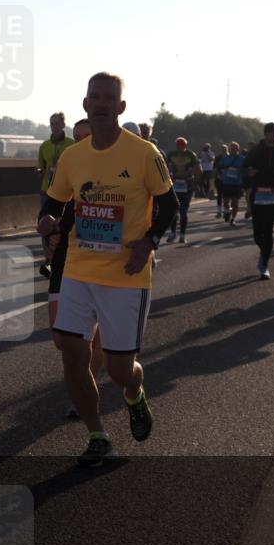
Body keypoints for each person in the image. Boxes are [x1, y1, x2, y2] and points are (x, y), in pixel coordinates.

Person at [38, 72, 178, 467]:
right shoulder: (72, 156)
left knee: (118, 371)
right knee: (71, 353)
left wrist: (149, 242)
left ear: (120, 107)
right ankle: (97, 433)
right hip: (79, 271)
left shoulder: (144, 152)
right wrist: (47, 223)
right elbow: (52, 204)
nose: (101, 104)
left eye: (109, 98)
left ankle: (134, 393)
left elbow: (169, 206)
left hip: (126, 276)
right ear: (85, 104)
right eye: (94, 97)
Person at [44, 119, 103, 419]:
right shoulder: (67, 167)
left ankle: (81, 394)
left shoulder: (109, 173)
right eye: (76, 137)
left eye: (85, 137)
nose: (78, 142)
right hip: (64, 259)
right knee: (61, 340)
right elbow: (50, 206)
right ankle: (83, 383)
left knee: (84, 341)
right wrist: (48, 227)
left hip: (97, 263)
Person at [244, 123, 274, 280]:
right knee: (257, 234)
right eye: (267, 134)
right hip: (258, 193)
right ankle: (264, 251)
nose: (269, 137)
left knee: (267, 230)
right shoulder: (256, 149)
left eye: (272, 134)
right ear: (264, 134)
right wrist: (249, 172)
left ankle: (264, 264)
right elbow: (244, 167)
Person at [37, 112, 73, 277]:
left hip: (67, 191)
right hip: (47, 190)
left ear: (63, 124)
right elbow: (40, 167)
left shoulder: (71, 144)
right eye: (52, 123)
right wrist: (44, 171)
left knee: (62, 226)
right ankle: (49, 259)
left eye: (57, 123)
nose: (54, 126)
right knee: (44, 224)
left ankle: (62, 258)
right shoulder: (44, 146)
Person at [165, 137, 200, 244]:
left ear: (186, 145)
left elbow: (199, 170)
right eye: (179, 145)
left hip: (187, 186)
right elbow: (164, 167)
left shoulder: (191, 155)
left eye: (182, 145)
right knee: (173, 211)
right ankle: (173, 233)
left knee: (183, 211)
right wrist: (170, 175)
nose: (180, 148)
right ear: (176, 145)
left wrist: (189, 172)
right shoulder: (171, 155)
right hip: (174, 185)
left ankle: (182, 235)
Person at [217, 142, 246, 226]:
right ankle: (227, 211)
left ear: (238, 149)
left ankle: (233, 219)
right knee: (226, 202)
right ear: (229, 149)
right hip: (227, 182)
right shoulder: (225, 158)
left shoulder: (242, 159)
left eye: (234, 148)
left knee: (235, 202)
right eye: (231, 148)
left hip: (237, 183)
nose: (233, 149)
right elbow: (219, 168)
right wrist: (220, 175)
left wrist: (240, 171)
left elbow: (246, 170)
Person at [213, 144, 228, 218]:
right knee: (219, 194)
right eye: (223, 149)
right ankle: (219, 211)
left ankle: (226, 210)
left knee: (226, 195)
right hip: (219, 178)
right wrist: (217, 176)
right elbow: (215, 168)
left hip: (228, 179)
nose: (224, 150)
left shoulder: (229, 157)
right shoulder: (218, 157)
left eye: (225, 149)